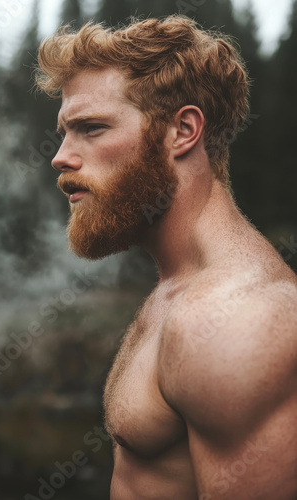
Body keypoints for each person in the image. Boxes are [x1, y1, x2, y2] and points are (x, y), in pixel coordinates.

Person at [35, 16, 297, 500]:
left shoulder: (241, 321)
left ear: (183, 130)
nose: (60, 156)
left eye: (90, 128)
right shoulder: (181, 289)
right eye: (64, 133)